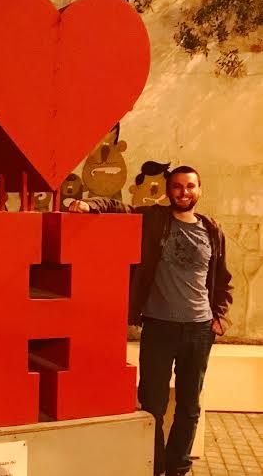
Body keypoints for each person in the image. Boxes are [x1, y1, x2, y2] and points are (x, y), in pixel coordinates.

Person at [68, 165, 233, 476]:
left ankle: (178, 467)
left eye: (190, 186)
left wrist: (219, 317)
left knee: (189, 405)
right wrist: (89, 204)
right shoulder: (156, 219)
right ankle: (154, 465)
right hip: (159, 326)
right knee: (152, 403)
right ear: (169, 191)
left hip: (199, 329)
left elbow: (223, 279)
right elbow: (118, 207)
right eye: (177, 186)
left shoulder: (212, 230)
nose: (184, 192)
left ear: (199, 190)